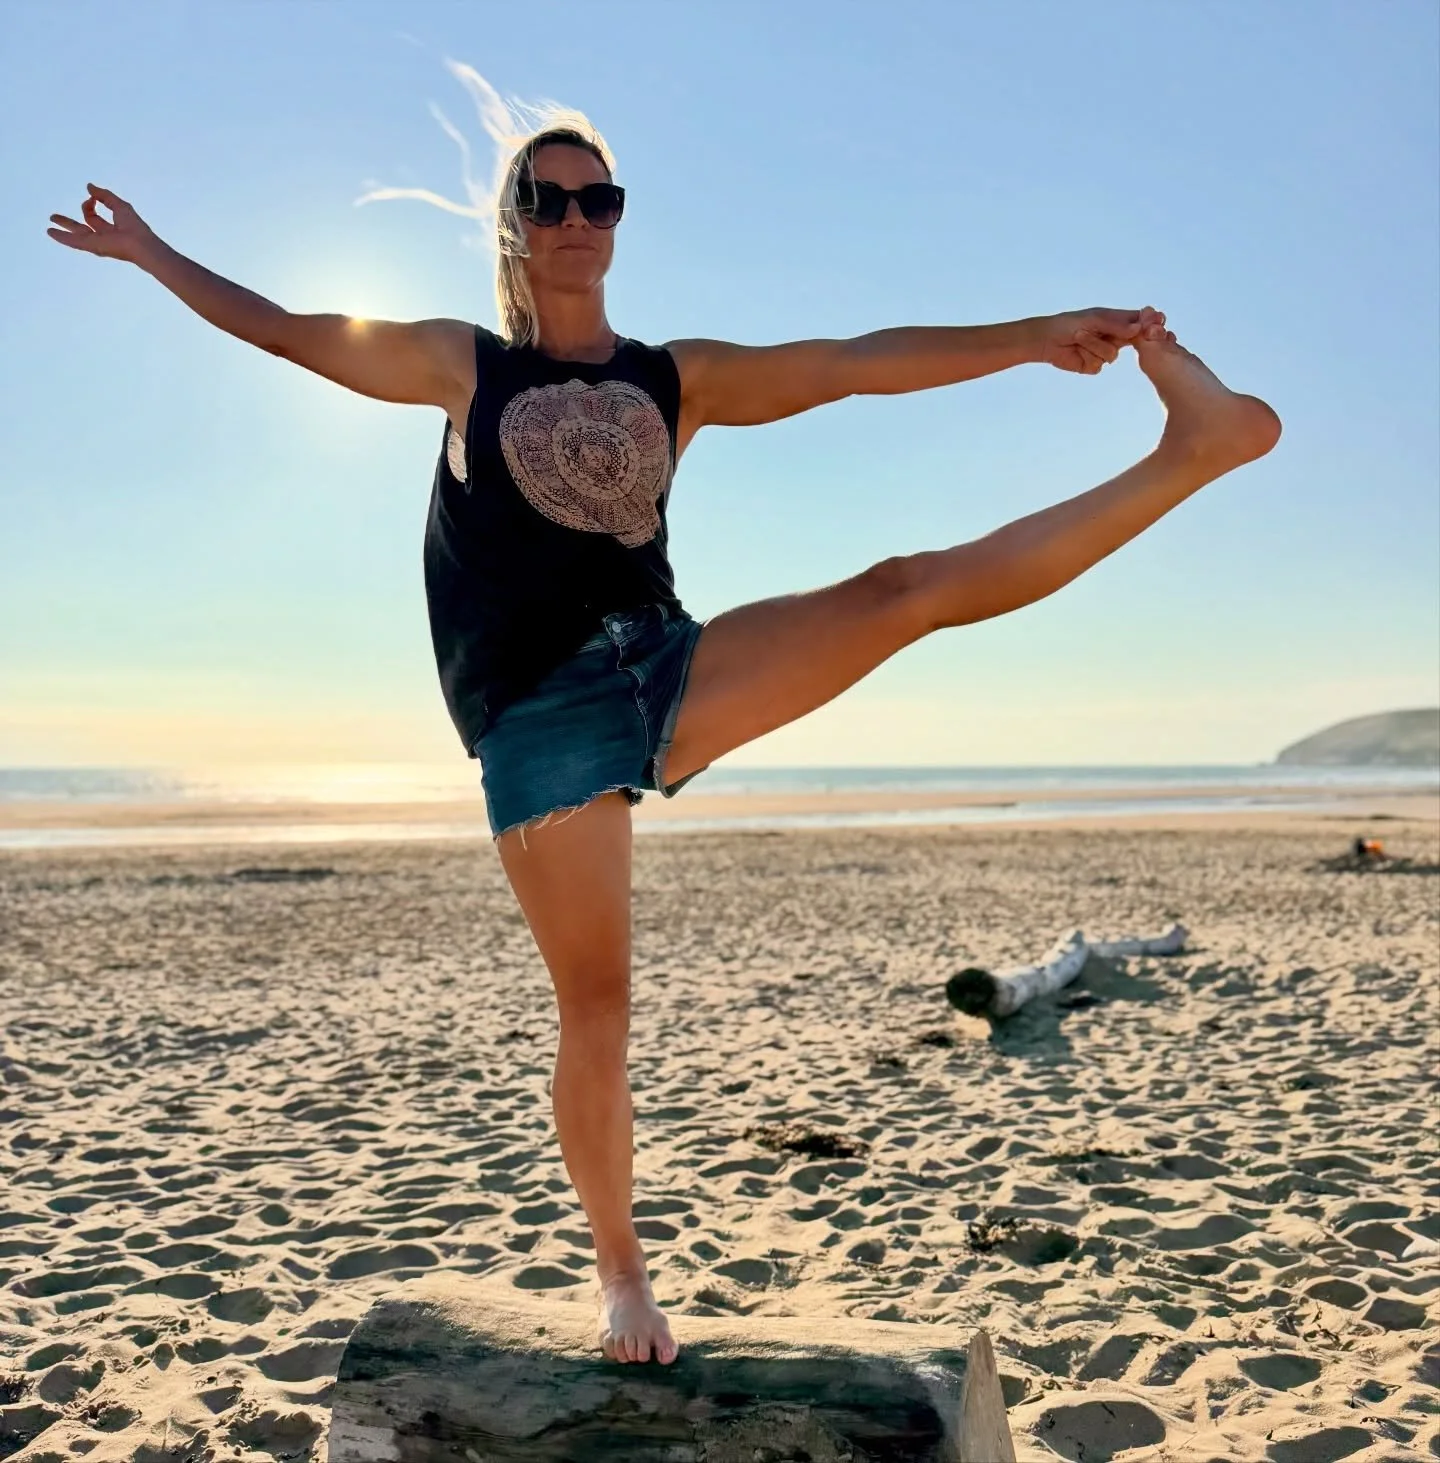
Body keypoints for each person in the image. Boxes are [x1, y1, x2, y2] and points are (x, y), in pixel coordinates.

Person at [48, 112, 1280, 1369]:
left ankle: (1196, 449)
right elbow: (294, 332)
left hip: (666, 664)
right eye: (550, 199)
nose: (577, 221)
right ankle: (622, 1275)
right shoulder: (461, 363)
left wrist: (1035, 339)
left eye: (601, 199)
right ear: (513, 225)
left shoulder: (673, 375)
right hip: (539, 716)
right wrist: (155, 253)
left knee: (904, 588)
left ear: (621, 218)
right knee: (597, 1002)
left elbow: (856, 359)